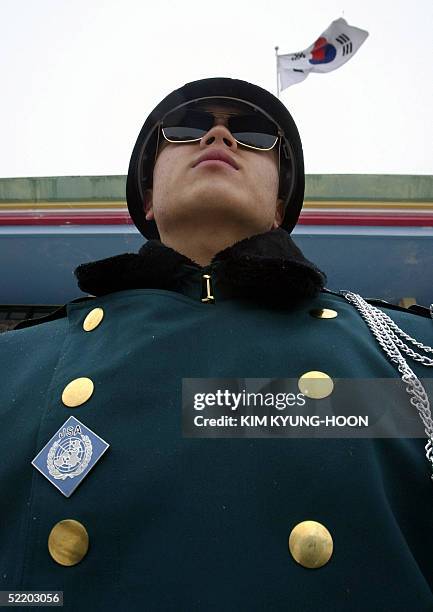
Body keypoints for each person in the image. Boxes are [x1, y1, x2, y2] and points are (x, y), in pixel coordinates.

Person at [1, 77, 433, 611]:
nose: (220, 136)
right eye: (187, 128)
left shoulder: (407, 351)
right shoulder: (13, 364)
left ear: (279, 208)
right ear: (149, 198)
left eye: (252, 134)